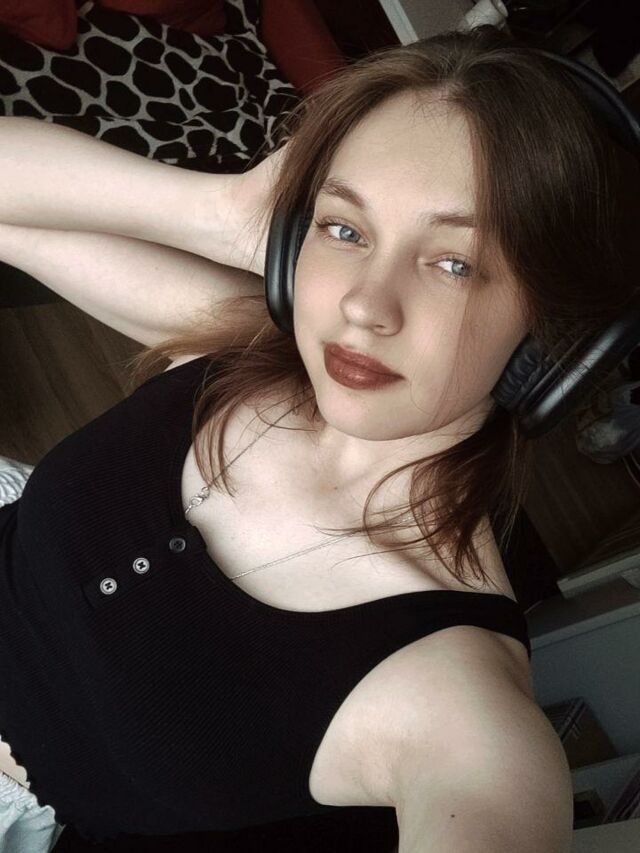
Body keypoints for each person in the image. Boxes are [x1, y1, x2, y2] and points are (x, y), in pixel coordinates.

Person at [0, 22, 633, 853]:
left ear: (554, 332)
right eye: (346, 229)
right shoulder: (242, 347)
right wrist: (225, 214)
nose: (364, 305)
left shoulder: (456, 705)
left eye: (455, 263)